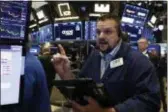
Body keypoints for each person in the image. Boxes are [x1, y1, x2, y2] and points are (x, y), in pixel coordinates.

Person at [52, 14, 160, 112]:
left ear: (119, 34)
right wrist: (65, 73)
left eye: (108, 32)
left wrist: (110, 111)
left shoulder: (138, 61)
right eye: (98, 32)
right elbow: (81, 87)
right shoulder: (94, 56)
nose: (101, 36)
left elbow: (150, 101)